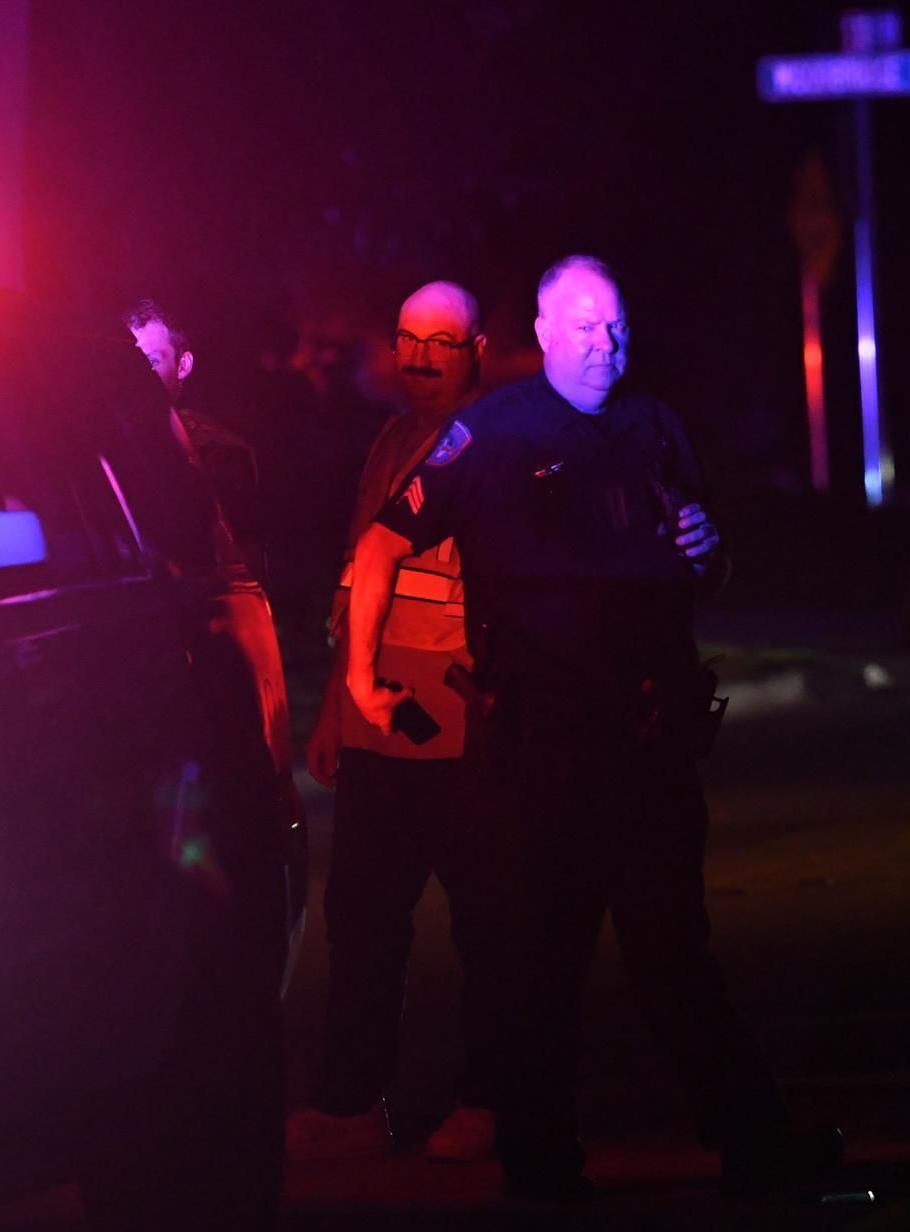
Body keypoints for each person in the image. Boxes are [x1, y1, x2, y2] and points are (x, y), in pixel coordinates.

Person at [345, 255, 842, 1199]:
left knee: (674, 954)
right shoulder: (485, 434)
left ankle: (753, 1144)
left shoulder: (653, 427)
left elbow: (708, 565)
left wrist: (707, 547)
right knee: (542, 968)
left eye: (615, 326)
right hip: (539, 751)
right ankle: (540, 1169)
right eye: (583, 326)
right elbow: (383, 539)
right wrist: (365, 678)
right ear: (541, 332)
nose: (603, 345)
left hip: (647, 743)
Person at [300, 281, 497, 1162]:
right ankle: (349, 1106)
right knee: (362, 914)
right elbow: (356, 580)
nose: (420, 357)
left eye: (442, 341)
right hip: (381, 720)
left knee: (489, 921)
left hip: (462, 723)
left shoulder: (495, 443)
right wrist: (338, 706)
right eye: (409, 339)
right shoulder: (390, 438)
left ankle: (492, 1104)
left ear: (477, 348)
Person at [124, 299, 271, 583]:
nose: (139, 377)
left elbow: (246, 571)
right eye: (132, 364)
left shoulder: (222, 452)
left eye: (152, 362)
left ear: (183, 365)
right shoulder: (109, 441)